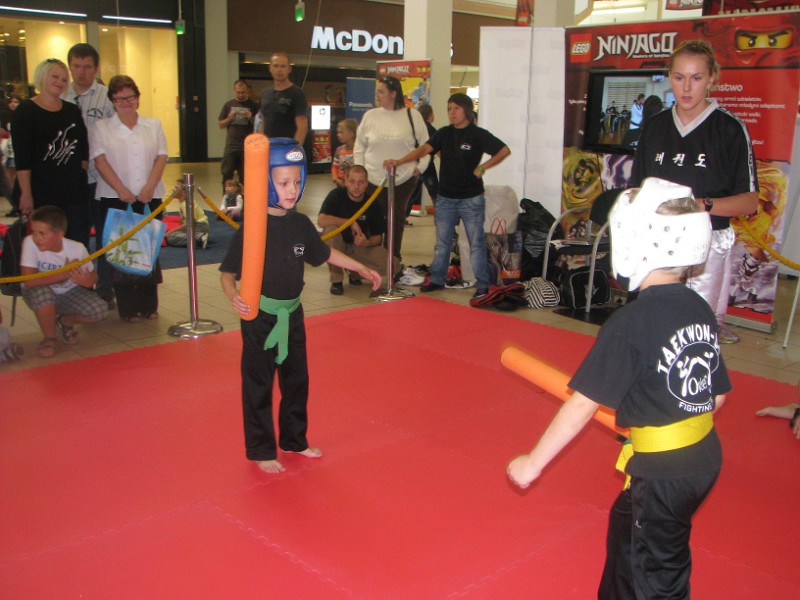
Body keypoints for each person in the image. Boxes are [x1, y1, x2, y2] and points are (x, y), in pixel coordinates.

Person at [507, 178, 731, 599]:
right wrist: (658, 422)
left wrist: (532, 463)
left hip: (663, 473)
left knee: (657, 573)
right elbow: (715, 394)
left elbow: (582, 405)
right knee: (629, 536)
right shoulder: (699, 306)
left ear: (635, 240)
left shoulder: (630, 321)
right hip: (702, 458)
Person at [219, 138, 381, 474]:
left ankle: (295, 439)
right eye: (282, 183)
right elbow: (227, 273)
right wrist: (233, 293)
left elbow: (325, 253)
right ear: (265, 182)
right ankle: (262, 449)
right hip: (259, 317)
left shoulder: (299, 224)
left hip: (292, 315)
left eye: (296, 182)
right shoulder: (253, 227)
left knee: (297, 381)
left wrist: (361, 267)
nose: (291, 190)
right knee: (259, 384)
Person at [630, 40, 759, 344]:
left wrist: (701, 204)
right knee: (650, 330)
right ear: (669, 77)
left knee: (694, 335)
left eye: (696, 78)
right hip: (656, 244)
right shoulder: (655, 126)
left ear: (712, 78)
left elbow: (749, 201)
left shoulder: (729, 129)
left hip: (706, 247)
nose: (686, 88)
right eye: (679, 77)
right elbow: (636, 190)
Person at [385, 93, 510, 301]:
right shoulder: (444, 133)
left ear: (467, 110)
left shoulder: (478, 134)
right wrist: (399, 161)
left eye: (456, 108)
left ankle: (483, 285)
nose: (452, 112)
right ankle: (437, 278)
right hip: (445, 198)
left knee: (476, 243)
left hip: (471, 199)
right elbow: (423, 150)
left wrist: (483, 167)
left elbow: (504, 150)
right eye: (449, 108)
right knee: (442, 242)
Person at [90, 74, 168, 323]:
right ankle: (128, 307)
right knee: (122, 253)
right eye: (120, 98)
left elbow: (161, 157)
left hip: (149, 197)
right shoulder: (102, 127)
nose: (126, 102)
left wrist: (150, 186)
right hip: (115, 197)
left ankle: (149, 305)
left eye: (130, 97)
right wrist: (121, 189)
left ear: (138, 98)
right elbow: (100, 160)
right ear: (112, 101)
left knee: (148, 250)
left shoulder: (153, 125)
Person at [11, 59, 89, 244]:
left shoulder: (71, 110)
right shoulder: (25, 111)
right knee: (44, 245)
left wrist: (80, 176)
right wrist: (26, 193)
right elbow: (22, 158)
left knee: (76, 242)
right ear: (42, 77)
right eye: (55, 76)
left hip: (72, 193)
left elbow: (83, 147)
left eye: (64, 79)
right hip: (41, 192)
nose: (59, 82)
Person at [354, 75, 429, 266]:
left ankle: (393, 261)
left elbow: (426, 145)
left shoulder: (412, 115)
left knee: (395, 220)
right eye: (377, 91)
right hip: (372, 179)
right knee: (372, 219)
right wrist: (360, 171)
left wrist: (420, 167)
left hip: (403, 179)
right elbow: (359, 146)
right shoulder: (371, 116)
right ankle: (370, 259)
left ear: (393, 93)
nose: (377, 95)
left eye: (381, 91)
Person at [63, 43, 117, 306]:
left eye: (87, 67)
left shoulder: (107, 98)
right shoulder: (60, 95)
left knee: (105, 238)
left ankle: (105, 289)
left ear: (96, 68)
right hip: (70, 181)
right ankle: (79, 289)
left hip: (101, 180)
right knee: (76, 237)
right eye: (76, 66)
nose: (81, 72)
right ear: (70, 67)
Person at [19, 205, 108, 358]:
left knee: (99, 310)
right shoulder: (29, 243)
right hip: (39, 292)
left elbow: (93, 278)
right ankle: (50, 339)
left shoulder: (77, 249)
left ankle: (64, 321)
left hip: (68, 292)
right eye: (34, 232)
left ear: (59, 234)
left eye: (42, 233)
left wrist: (85, 280)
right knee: (43, 294)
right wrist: (65, 273)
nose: (37, 238)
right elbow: (29, 282)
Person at [317, 164, 395, 295]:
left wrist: (367, 242)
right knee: (330, 232)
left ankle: (354, 273)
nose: (356, 186)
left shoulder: (373, 203)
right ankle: (336, 280)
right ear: (345, 181)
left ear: (367, 184)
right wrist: (350, 222)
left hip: (358, 247)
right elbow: (321, 221)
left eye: (361, 182)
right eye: (352, 181)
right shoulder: (336, 195)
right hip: (338, 244)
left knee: (393, 265)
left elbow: (378, 237)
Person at [256, 53, 308, 145]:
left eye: (283, 66)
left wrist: (294, 149)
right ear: (270, 68)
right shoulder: (264, 93)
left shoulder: (297, 93)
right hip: (267, 147)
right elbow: (263, 122)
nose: (279, 70)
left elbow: (302, 128)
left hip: (287, 147)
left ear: (289, 69)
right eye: (276, 66)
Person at [218, 80, 258, 189]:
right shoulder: (228, 105)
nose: (240, 94)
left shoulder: (254, 106)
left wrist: (250, 117)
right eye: (238, 92)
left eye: (243, 92)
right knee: (226, 174)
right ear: (234, 90)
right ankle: (227, 197)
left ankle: (244, 198)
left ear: (247, 91)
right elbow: (221, 124)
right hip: (231, 146)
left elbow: (260, 126)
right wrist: (230, 118)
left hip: (247, 147)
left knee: (245, 176)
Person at [405, 103, 439, 224]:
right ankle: (440, 218)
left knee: (412, 192)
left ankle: (402, 216)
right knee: (435, 192)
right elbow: (436, 148)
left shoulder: (415, 128)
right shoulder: (430, 129)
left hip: (415, 163)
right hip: (427, 165)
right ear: (430, 115)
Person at [165, 178, 210, 248]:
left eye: (176, 188)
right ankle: (198, 237)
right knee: (173, 234)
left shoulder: (186, 204)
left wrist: (170, 232)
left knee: (171, 237)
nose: (173, 190)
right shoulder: (184, 203)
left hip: (199, 226)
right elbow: (183, 223)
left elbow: (190, 224)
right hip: (199, 226)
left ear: (184, 191)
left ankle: (199, 238)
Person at [331, 118, 357, 187]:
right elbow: (335, 167)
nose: (338, 135)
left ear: (351, 133)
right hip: (341, 183)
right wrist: (335, 178)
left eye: (341, 132)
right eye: (338, 132)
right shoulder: (339, 150)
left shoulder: (359, 151)